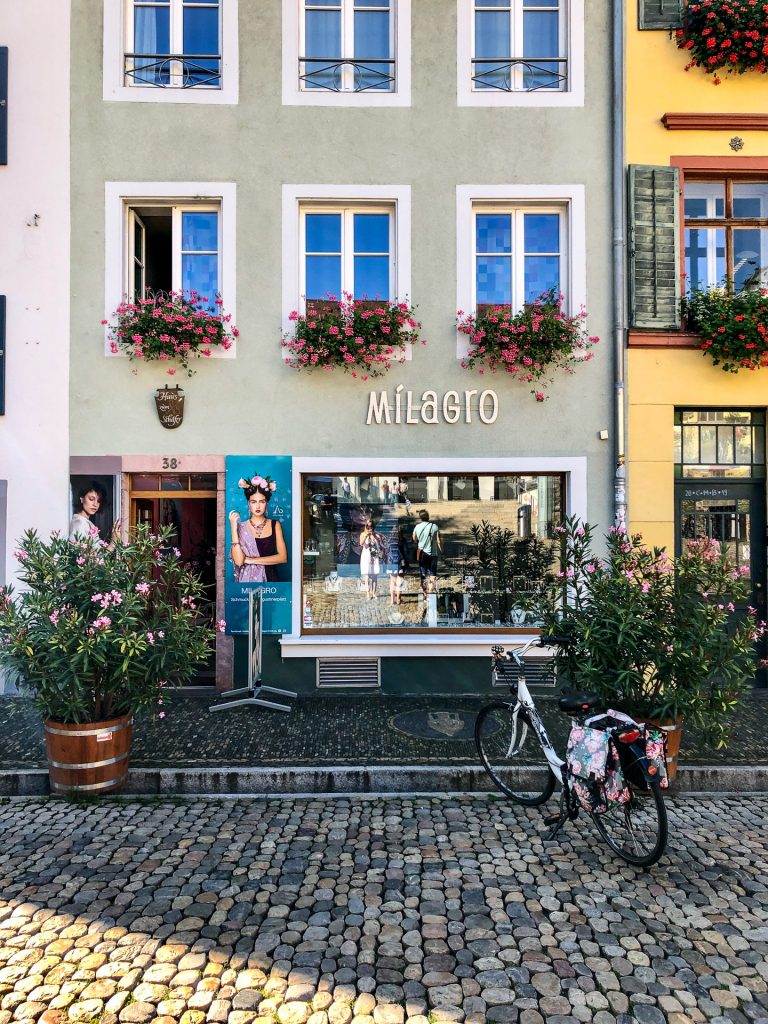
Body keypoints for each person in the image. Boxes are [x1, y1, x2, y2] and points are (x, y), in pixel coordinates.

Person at [229, 474, 287, 582]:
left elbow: (283, 557)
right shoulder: (241, 527)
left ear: (267, 503)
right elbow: (238, 561)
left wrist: (250, 560)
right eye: (253, 502)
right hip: (247, 583)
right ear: (248, 504)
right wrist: (233, 527)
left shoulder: (275, 525)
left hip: (271, 581)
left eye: (262, 501)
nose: (258, 506)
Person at [69, 482, 121, 547]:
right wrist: (113, 542)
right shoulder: (80, 523)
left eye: (98, 501)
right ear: (82, 499)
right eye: (91, 499)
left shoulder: (85, 522)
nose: (95, 504)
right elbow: (90, 556)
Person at [412, 509, 443, 593]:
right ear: (428, 517)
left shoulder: (417, 527)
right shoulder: (434, 526)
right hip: (433, 554)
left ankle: (425, 594)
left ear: (420, 517)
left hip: (422, 554)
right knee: (432, 575)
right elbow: (439, 541)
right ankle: (430, 593)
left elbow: (414, 539)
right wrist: (442, 551)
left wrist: (420, 541)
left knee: (423, 574)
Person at [359, 519, 385, 600]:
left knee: (374, 576)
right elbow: (361, 543)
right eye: (368, 526)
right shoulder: (363, 534)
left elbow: (380, 545)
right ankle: (367, 594)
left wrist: (375, 537)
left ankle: (374, 593)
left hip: (374, 557)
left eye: (371, 526)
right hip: (366, 557)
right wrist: (367, 535)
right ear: (365, 526)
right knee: (366, 576)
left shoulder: (376, 535)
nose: (369, 528)